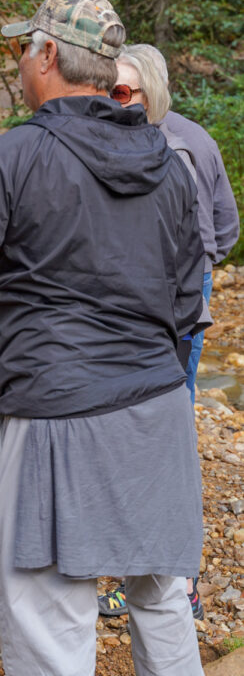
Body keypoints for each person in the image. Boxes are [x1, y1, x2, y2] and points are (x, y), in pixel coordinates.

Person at [0, 0, 206, 676]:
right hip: (158, 414)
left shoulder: (15, 157)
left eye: (25, 46)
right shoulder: (170, 166)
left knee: (49, 626)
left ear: (48, 55)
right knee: (165, 602)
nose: (23, 59)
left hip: (57, 415)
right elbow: (186, 301)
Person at [97, 42, 239, 623]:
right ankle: (140, 573)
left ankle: (176, 582)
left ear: (151, 90)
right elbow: (227, 230)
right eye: (111, 89)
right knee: (128, 431)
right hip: (141, 295)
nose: (114, 99)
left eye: (124, 89)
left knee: (163, 433)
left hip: (174, 301)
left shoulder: (178, 142)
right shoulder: (169, 136)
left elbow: (218, 232)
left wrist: (196, 280)